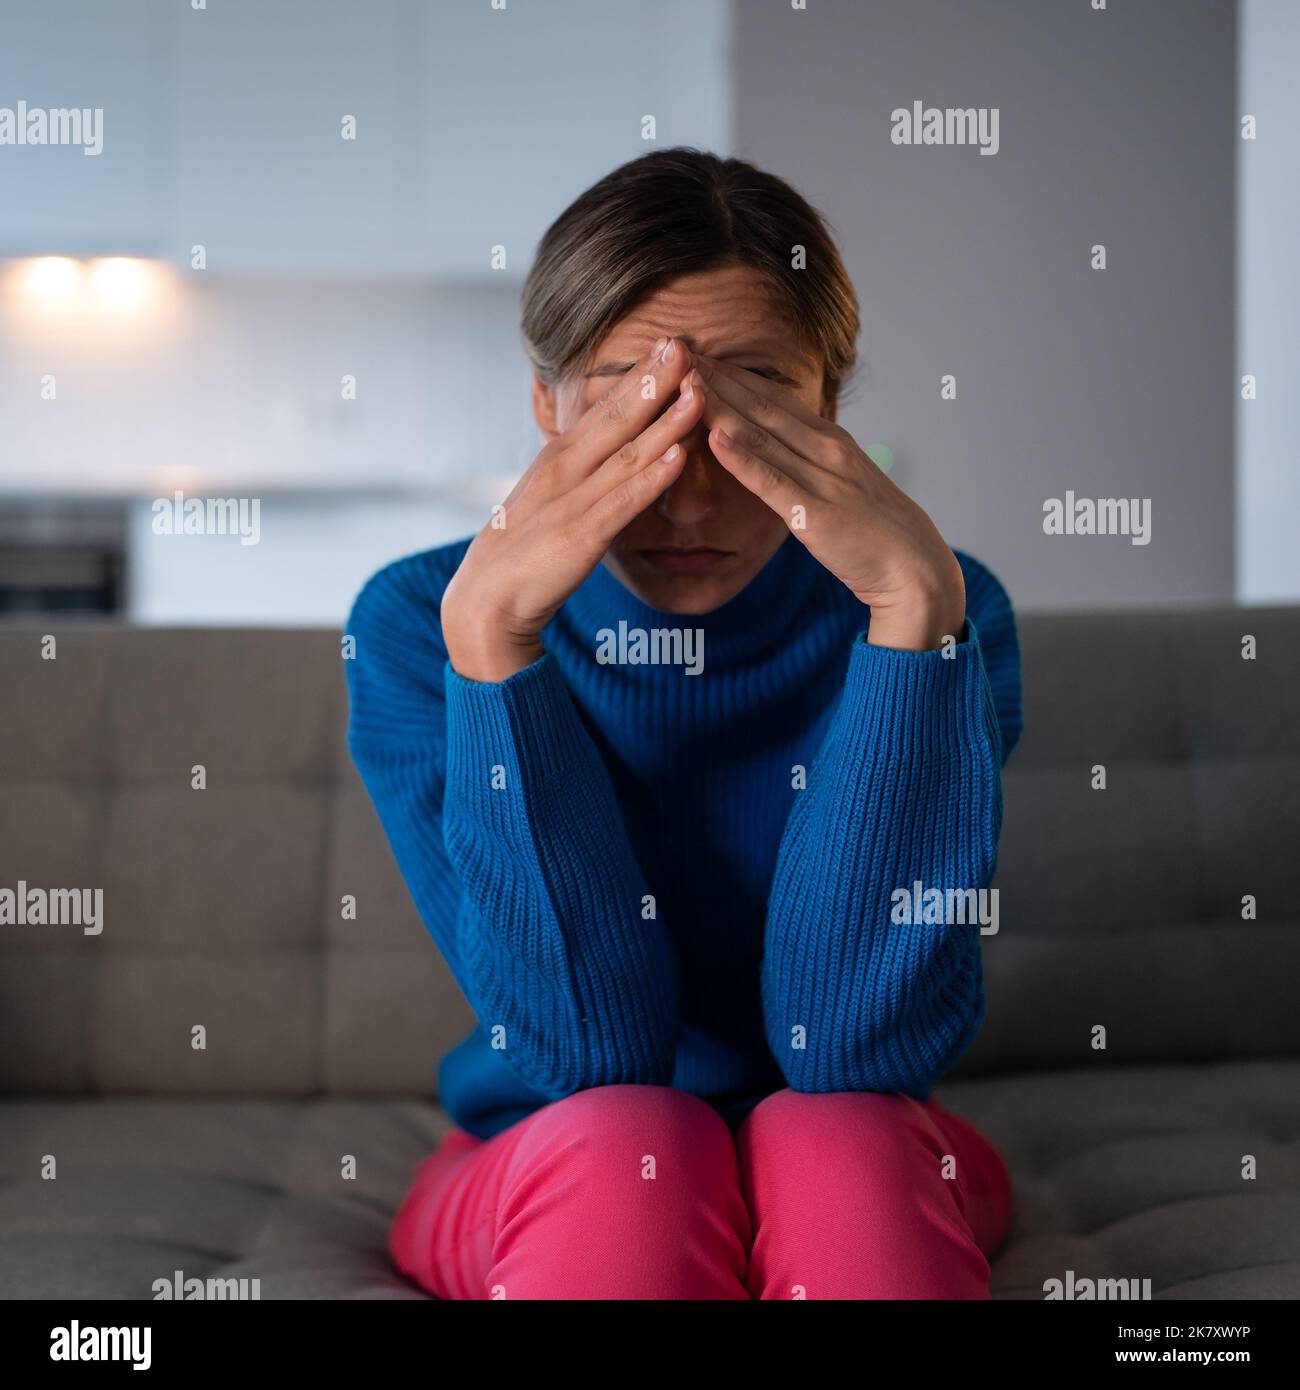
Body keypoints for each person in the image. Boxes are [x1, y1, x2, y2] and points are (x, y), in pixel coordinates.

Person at [346, 148, 1022, 1300]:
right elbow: (585, 1057)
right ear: (545, 403)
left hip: (863, 1143)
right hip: (553, 1147)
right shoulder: (424, 620)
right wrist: (499, 657)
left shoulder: (947, 607)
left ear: (829, 408)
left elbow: (853, 1051)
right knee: (626, 1152)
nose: (691, 493)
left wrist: (910, 624)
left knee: (837, 1143)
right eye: (634, 409)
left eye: (750, 407)